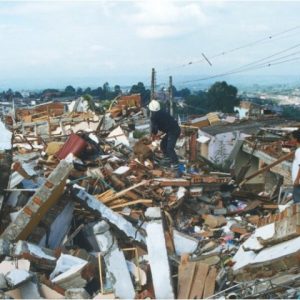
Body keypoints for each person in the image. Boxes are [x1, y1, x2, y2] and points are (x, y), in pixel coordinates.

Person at [148, 99, 181, 167]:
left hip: (173, 131)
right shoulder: (163, 113)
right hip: (173, 130)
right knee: (163, 144)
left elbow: (155, 129)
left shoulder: (154, 117)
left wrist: (152, 137)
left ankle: (175, 163)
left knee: (169, 148)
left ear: (151, 109)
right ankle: (168, 158)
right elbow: (166, 125)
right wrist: (160, 134)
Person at [291, 129, 300, 203]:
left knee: (297, 203)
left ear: (296, 139)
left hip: (298, 183)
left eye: (292, 138)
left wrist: (297, 179)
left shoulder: (299, 151)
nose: (291, 140)